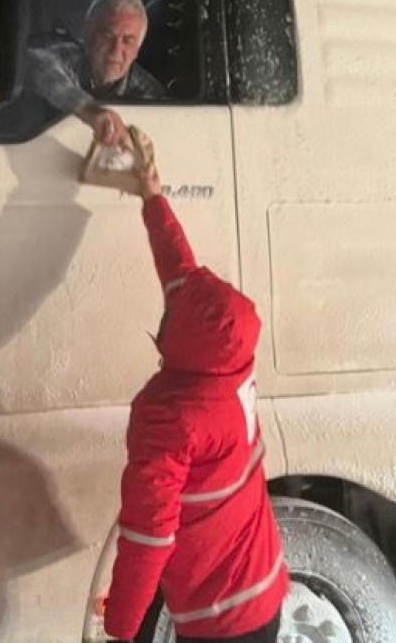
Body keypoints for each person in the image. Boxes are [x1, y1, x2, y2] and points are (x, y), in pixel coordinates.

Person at [103, 162, 288, 643]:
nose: (167, 302)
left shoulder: (170, 419)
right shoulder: (230, 362)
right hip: (265, 589)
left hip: (220, 621)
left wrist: (120, 628)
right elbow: (179, 270)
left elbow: (149, 535)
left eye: (172, 308)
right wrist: (152, 198)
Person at [26, 0, 166, 151]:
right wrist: (88, 109)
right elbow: (31, 60)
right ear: (87, 34)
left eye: (127, 41)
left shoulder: (149, 93)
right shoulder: (66, 54)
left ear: (137, 51)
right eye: (108, 36)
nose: (115, 50)